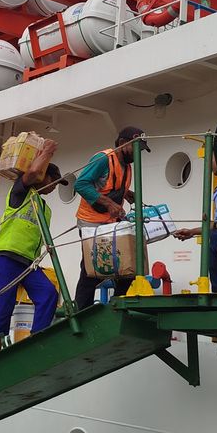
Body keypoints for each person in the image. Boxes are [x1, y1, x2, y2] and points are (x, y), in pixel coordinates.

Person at [0, 140, 65, 352]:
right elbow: (32, 174)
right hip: (8, 256)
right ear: (44, 176)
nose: (54, 187)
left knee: (48, 293)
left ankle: (36, 339)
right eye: (54, 181)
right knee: (6, 301)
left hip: (28, 262)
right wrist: (47, 153)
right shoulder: (20, 192)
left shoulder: (45, 208)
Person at [73, 127, 150, 309]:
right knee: (92, 269)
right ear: (123, 143)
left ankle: (117, 304)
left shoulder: (127, 166)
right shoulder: (103, 158)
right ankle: (81, 311)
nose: (138, 153)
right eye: (136, 148)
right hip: (91, 221)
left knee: (128, 265)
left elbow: (107, 184)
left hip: (110, 223)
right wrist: (109, 204)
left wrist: (126, 194)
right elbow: (81, 184)